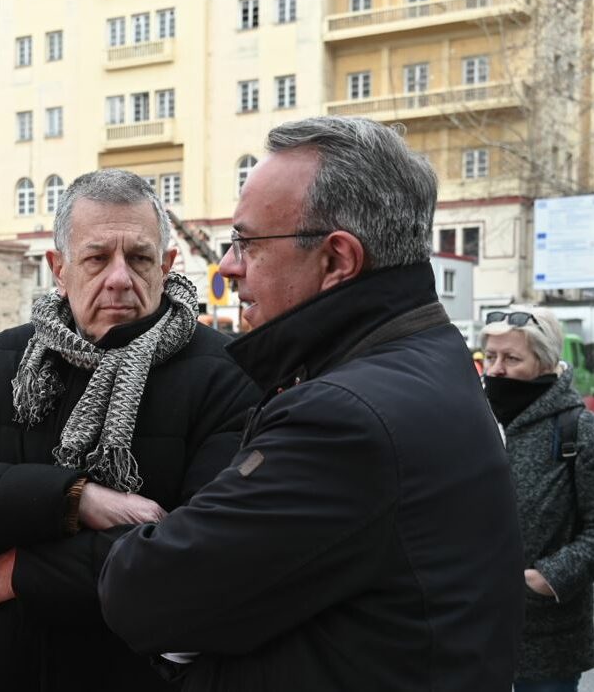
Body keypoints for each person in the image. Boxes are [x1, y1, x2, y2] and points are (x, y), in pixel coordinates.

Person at [99, 116, 523, 690]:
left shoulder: (344, 417)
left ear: (336, 261)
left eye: (247, 242)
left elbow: (143, 593)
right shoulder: (422, 355)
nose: (228, 265)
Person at [0, 169, 262, 692]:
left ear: (165, 266)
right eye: (96, 258)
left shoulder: (226, 372)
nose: (119, 278)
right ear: (59, 268)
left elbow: (208, 548)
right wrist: (74, 498)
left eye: (139, 258)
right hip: (4, 668)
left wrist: (26, 572)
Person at [481, 306, 594, 692]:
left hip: (548, 635)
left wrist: (549, 578)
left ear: (545, 364)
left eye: (512, 358)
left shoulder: (577, 428)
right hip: (474, 629)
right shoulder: (477, 420)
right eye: (491, 356)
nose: (496, 369)